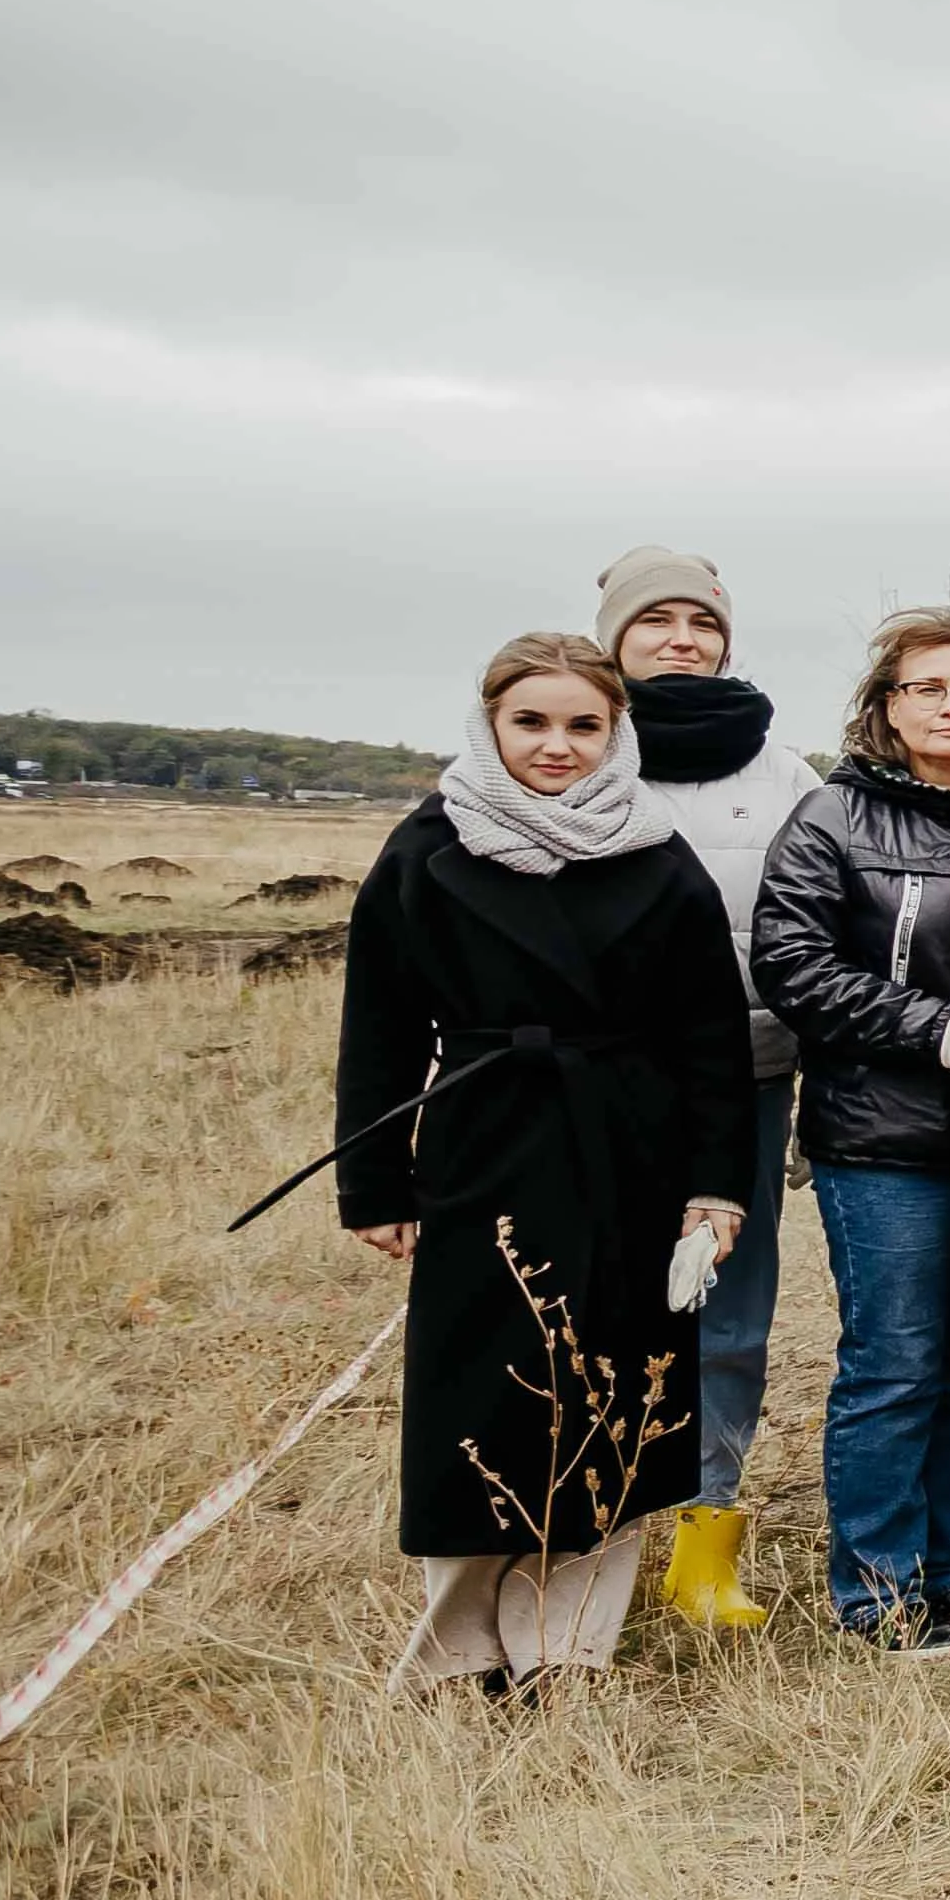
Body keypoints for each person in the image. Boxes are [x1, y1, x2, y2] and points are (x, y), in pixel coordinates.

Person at [335, 635, 754, 1693]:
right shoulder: (425, 847)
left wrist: (716, 1189)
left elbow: (712, 1040)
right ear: (490, 724)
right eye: (533, 722)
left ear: (617, 735)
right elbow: (379, 1028)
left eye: (584, 725)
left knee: (612, 1394)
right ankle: (457, 1648)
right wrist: (376, 1182)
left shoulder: (657, 854)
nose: (557, 745)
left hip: (632, 1155)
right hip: (483, 1147)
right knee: (475, 1397)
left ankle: (569, 1647)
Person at [752, 613, 950, 1647]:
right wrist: (932, 1027)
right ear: (888, 704)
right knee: (895, 1359)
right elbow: (789, 962)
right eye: (931, 688)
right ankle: (874, 1592)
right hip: (884, 1137)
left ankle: (938, 1567)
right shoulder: (835, 818)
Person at [595, 548, 805, 1640]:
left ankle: (705, 1544)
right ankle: (589, 1538)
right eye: (656, 620)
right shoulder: (575, 741)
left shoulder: (781, 768)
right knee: (601, 1305)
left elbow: (830, 905)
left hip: (752, 1077)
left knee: (729, 1315)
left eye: (700, 621)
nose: (682, 637)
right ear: (614, 635)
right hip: (598, 1088)